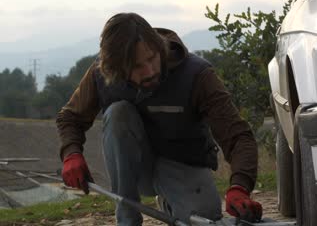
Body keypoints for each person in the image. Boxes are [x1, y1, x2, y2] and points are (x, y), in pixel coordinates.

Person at [56, 12, 263, 226]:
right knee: (118, 113)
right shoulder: (101, 74)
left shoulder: (197, 75)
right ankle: (127, 219)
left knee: (204, 221)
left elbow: (238, 136)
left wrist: (239, 187)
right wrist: (71, 153)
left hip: (183, 165)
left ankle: (172, 200)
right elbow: (70, 117)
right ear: (116, 68)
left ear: (159, 47)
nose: (149, 71)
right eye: (136, 66)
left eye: (152, 58)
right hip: (137, 171)